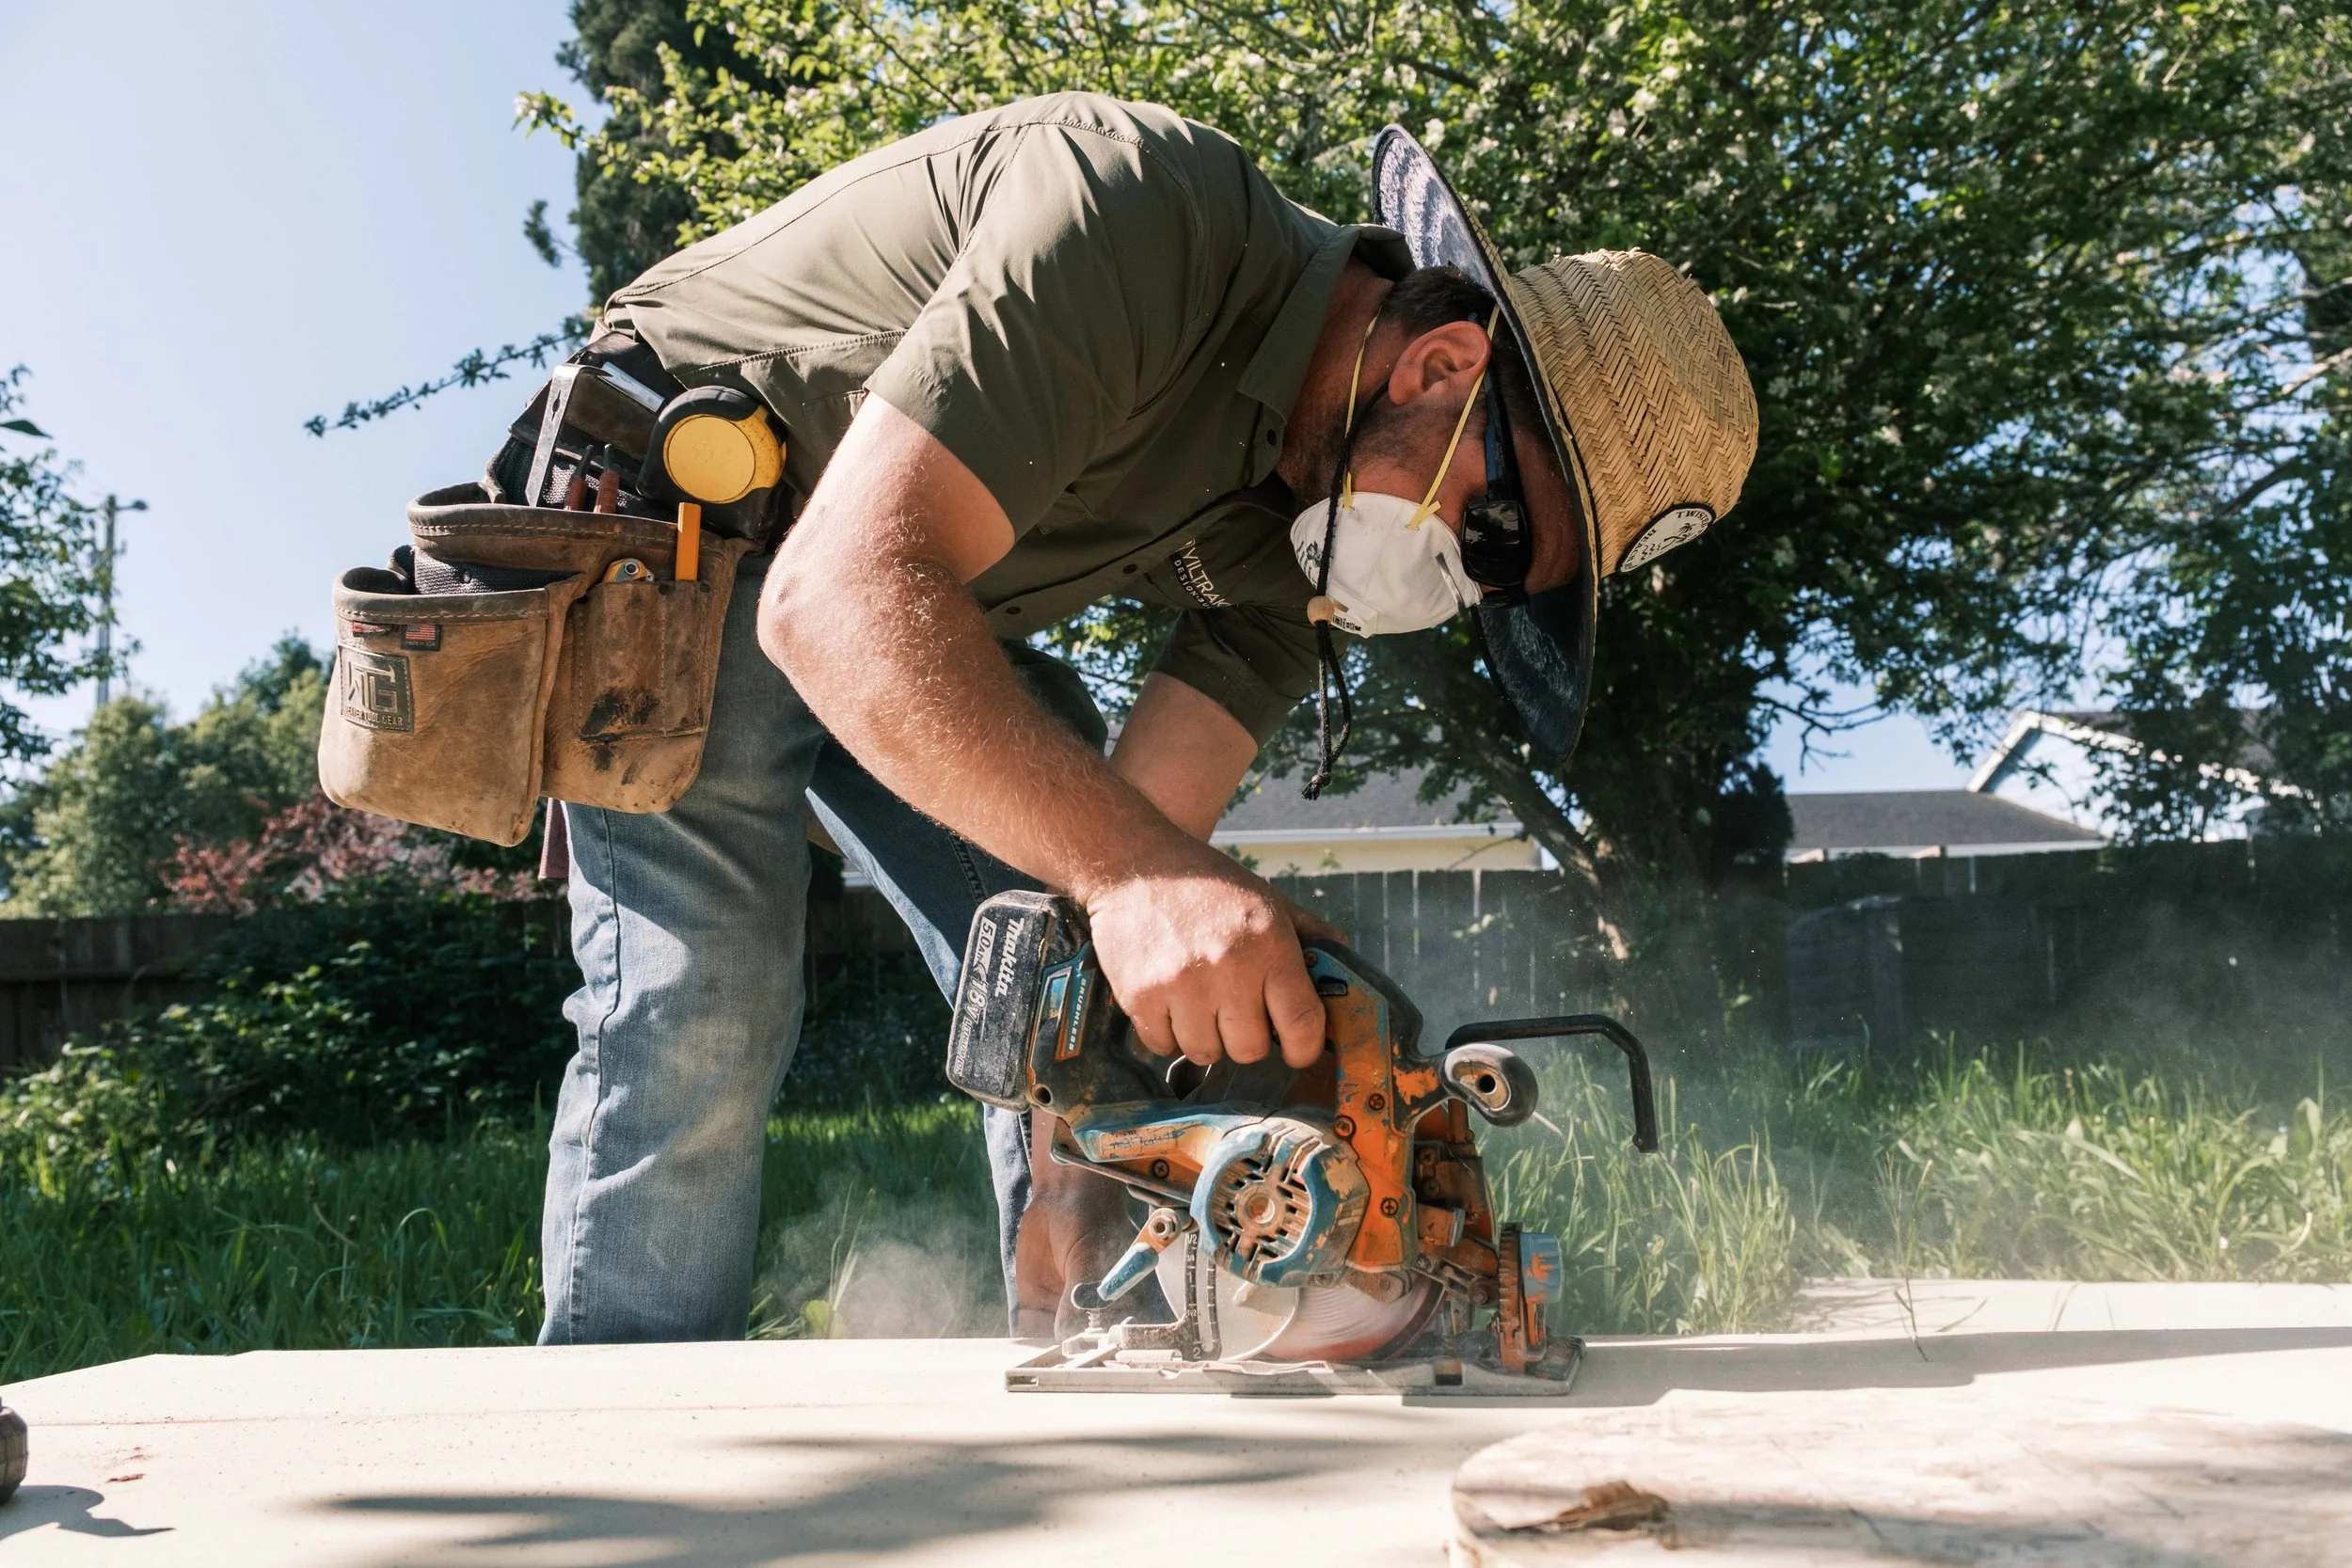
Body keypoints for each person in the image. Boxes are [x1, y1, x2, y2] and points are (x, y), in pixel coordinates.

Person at [532, 93, 1756, 1345]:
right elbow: (837, 600)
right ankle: (615, 1461)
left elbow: (1123, 885)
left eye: (1500, 583)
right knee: (708, 1001)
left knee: (1039, 958)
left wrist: (1080, 1170)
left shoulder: (1307, 555)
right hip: (686, 521)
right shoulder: (1141, 217)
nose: (1463, 579)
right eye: (1492, 530)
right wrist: (1135, 877)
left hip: (894, 593)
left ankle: (1081, 1338)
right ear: (1441, 367)